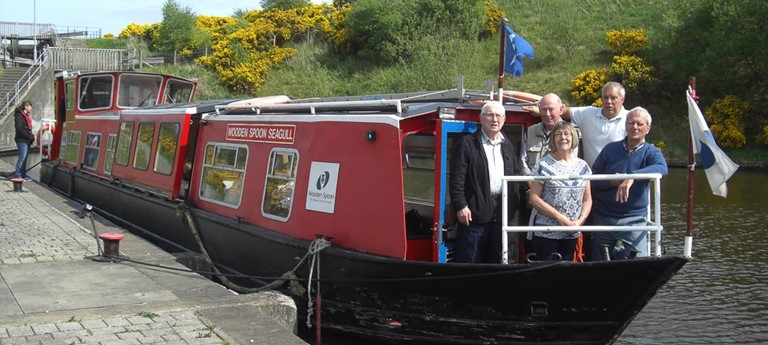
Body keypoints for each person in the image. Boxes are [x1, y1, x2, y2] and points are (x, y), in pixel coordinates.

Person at [590, 107, 668, 261]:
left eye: (639, 124)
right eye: (631, 123)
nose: (635, 127)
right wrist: (612, 182)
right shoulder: (610, 149)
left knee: (639, 264)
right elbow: (594, 179)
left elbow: (661, 168)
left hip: (634, 219)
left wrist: (631, 177)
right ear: (625, 125)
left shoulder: (651, 152)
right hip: (603, 217)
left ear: (648, 128)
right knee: (598, 265)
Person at [450, 101, 522, 264]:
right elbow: (457, 177)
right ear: (481, 118)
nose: (494, 119)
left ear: (504, 119)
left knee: (496, 256)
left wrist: (513, 201)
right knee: (471, 255)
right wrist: (461, 205)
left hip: (502, 210)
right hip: (475, 209)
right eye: (489, 115)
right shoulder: (468, 144)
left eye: (498, 116)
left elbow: (515, 175)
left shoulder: (507, 145)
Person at [528, 122, 592, 261]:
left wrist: (579, 222)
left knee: (566, 273)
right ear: (553, 139)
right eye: (558, 134)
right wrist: (561, 219)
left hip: (571, 232)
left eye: (567, 134)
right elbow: (533, 198)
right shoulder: (543, 164)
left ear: (573, 137)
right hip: (547, 232)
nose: (563, 137)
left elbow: (587, 199)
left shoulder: (583, 166)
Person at [562, 81, 628, 167]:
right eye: (605, 97)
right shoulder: (587, 114)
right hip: (592, 177)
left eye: (613, 98)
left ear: (622, 99)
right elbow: (563, 111)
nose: (609, 101)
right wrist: (540, 110)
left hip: (619, 177)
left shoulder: (631, 119)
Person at [13, 101, 35, 181]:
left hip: (26, 139)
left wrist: (31, 137)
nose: (31, 108)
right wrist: (29, 136)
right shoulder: (19, 116)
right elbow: (19, 129)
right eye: (30, 106)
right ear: (26, 106)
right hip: (21, 139)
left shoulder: (26, 116)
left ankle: (23, 174)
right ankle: (18, 174)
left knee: (25, 157)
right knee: (22, 157)